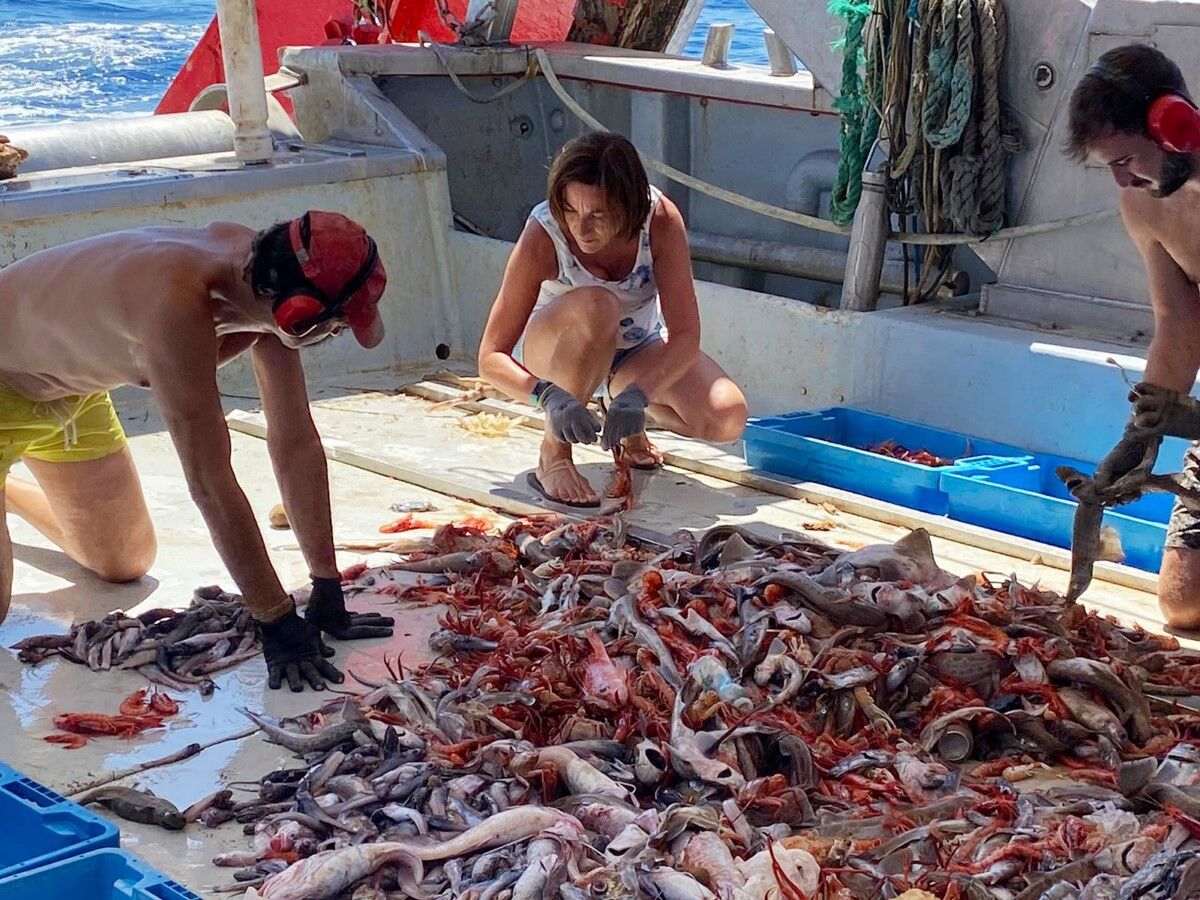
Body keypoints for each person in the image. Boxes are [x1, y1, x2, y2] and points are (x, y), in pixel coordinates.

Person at [0, 211, 395, 690]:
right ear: (298, 314)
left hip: (71, 389)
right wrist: (275, 620)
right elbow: (209, 481)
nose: (329, 339)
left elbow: (294, 439)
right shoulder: (175, 303)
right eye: (333, 329)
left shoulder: (265, 273)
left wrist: (326, 583)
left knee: (123, 563)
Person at [477, 131, 748, 507]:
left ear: (629, 207)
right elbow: (490, 357)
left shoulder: (661, 220)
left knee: (727, 417)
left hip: (636, 350)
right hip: (556, 353)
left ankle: (620, 408)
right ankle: (552, 455)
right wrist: (546, 396)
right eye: (570, 211)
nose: (581, 229)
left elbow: (686, 337)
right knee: (598, 304)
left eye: (598, 216)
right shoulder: (543, 233)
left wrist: (641, 393)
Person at [1065, 44, 1200, 628]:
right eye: (1109, 167)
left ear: (1174, 123)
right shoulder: (1144, 206)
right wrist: (1144, 432)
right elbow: (1177, 322)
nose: (1122, 178)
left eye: (1125, 158)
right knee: (1182, 603)